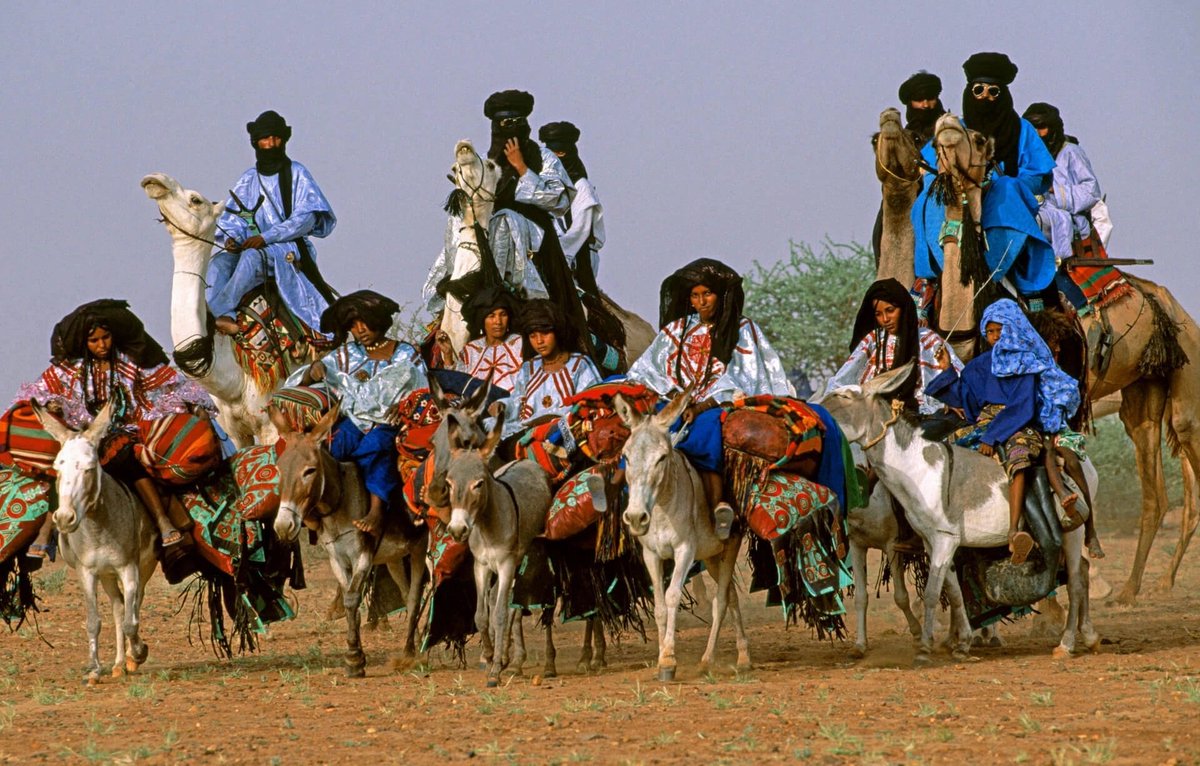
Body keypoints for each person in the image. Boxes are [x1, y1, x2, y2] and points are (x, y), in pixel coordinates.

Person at [17, 300, 213, 555]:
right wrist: (53, 405)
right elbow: (38, 393)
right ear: (83, 343)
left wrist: (194, 404)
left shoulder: (131, 363)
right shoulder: (72, 369)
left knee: (123, 454)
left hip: (125, 431)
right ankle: (47, 530)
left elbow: (169, 383)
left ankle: (163, 522)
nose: (101, 345)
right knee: (63, 462)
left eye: (105, 337)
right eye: (94, 340)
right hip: (81, 436)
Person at [626, 259, 794, 540]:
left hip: (718, 405)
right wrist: (670, 401)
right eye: (695, 295)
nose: (701, 301)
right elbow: (647, 371)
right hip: (674, 403)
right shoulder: (676, 330)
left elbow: (742, 378)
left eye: (708, 294)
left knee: (705, 432)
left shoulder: (742, 329)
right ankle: (623, 493)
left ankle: (718, 505)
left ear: (721, 295)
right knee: (638, 435)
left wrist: (703, 404)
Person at [927, 299, 1080, 563]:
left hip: (1019, 424)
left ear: (1014, 329)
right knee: (944, 451)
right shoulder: (978, 366)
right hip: (985, 423)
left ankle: (1013, 530)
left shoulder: (1025, 364)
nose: (996, 337)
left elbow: (1022, 406)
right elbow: (968, 401)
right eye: (990, 332)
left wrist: (992, 436)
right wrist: (946, 370)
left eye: (1001, 331)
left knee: (1018, 457)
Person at [912, 52, 1058, 303]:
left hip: (1000, 201)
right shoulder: (955, 128)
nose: (986, 98)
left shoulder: (1022, 130)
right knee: (927, 196)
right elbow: (928, 167)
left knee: (1008, 189)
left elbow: (1037, 174)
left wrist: (995, 184)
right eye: (979, 90)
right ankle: (930, 279)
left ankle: (1016, 280)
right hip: (959, 199)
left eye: (994, 91)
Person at [291, 291, 428, 537]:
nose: (360, 329)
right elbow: (307, 377)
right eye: (353, 325)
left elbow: (422, 389)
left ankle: (376, 510)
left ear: (380, 320)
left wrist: (405, 406)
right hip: (353, 420)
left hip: (390, 422)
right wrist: (314, 370)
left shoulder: (405, 353)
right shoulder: (345, 355)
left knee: (375, 447)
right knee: (326, 450)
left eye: (364, 322)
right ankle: (312, 508)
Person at [210, 110, 337, 337]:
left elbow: (305, 219)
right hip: (250, 244)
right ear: (256, 142)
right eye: (265, 139)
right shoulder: (249, 179)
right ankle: (224, 317)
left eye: (275, 138)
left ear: (283, 139)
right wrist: (232, 238)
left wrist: (266, 238)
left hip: (287, 247)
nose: (271, 144)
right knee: (218, 263)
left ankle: (217, 310)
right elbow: (234, 218)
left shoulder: (297, 173)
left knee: (251, 258)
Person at [826, 278, 963, 415]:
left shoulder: (928, 340)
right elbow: (842, 381)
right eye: (878, 314)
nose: (885, 319)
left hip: (921, 414)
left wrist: (949, 401)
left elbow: (956, 377)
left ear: (903, 308)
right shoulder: (873, 340)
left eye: (890, 310)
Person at [491, 299, 601, 442]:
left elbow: (590, 402)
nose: (539, 341)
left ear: (557, 332)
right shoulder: (528, 368)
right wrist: (503, 405)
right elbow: (518, 401)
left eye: (544, 333)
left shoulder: (579, 365)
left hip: (565, 432)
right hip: (529, 433)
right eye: (533, 336)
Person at [1021, 103, 1103, 262]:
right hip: (1036, 211)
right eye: (1031, 128)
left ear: (1053, 129)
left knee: (1032, 223)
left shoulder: (1071, 152)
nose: (1036, 134)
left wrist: (1055, 190)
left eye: (1041, 127)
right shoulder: (1024, 156)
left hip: (1068, 221)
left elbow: (1092, 192)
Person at [538, 121, 606, 284]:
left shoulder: (582, 187)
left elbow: (579, 231)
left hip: (577, 257)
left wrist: (559, 258)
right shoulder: (545, 187)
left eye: (558, 154)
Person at [436, 286, 525, 393]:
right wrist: (448, 354)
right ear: (482, 319)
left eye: (503, 315)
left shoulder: (519, 343)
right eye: (491, 316)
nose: (498, 322)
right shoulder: (471, 350)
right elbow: (458, 384)